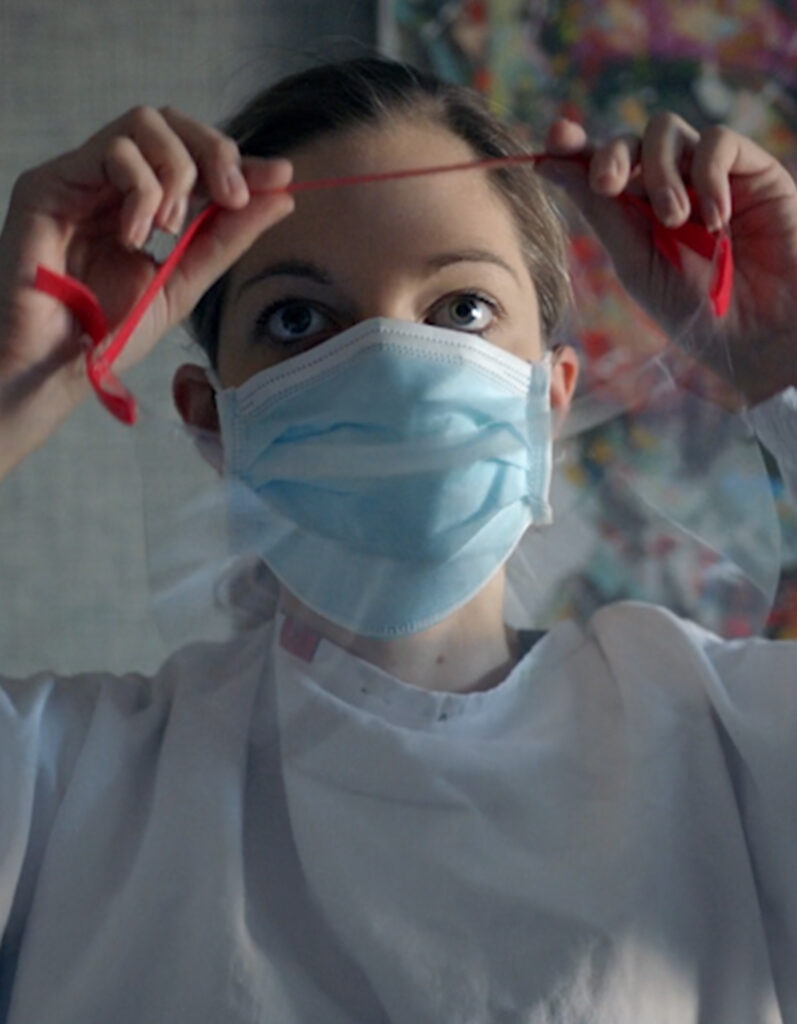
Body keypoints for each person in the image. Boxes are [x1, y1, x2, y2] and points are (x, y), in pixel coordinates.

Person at [0, 55, 795, 1024]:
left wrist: (784, 358)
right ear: (212, 419)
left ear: (548, 401)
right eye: (297, 319)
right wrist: (10, 384)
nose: (388, 360)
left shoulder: (731, 742)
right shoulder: (60, 786)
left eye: (460, 310)